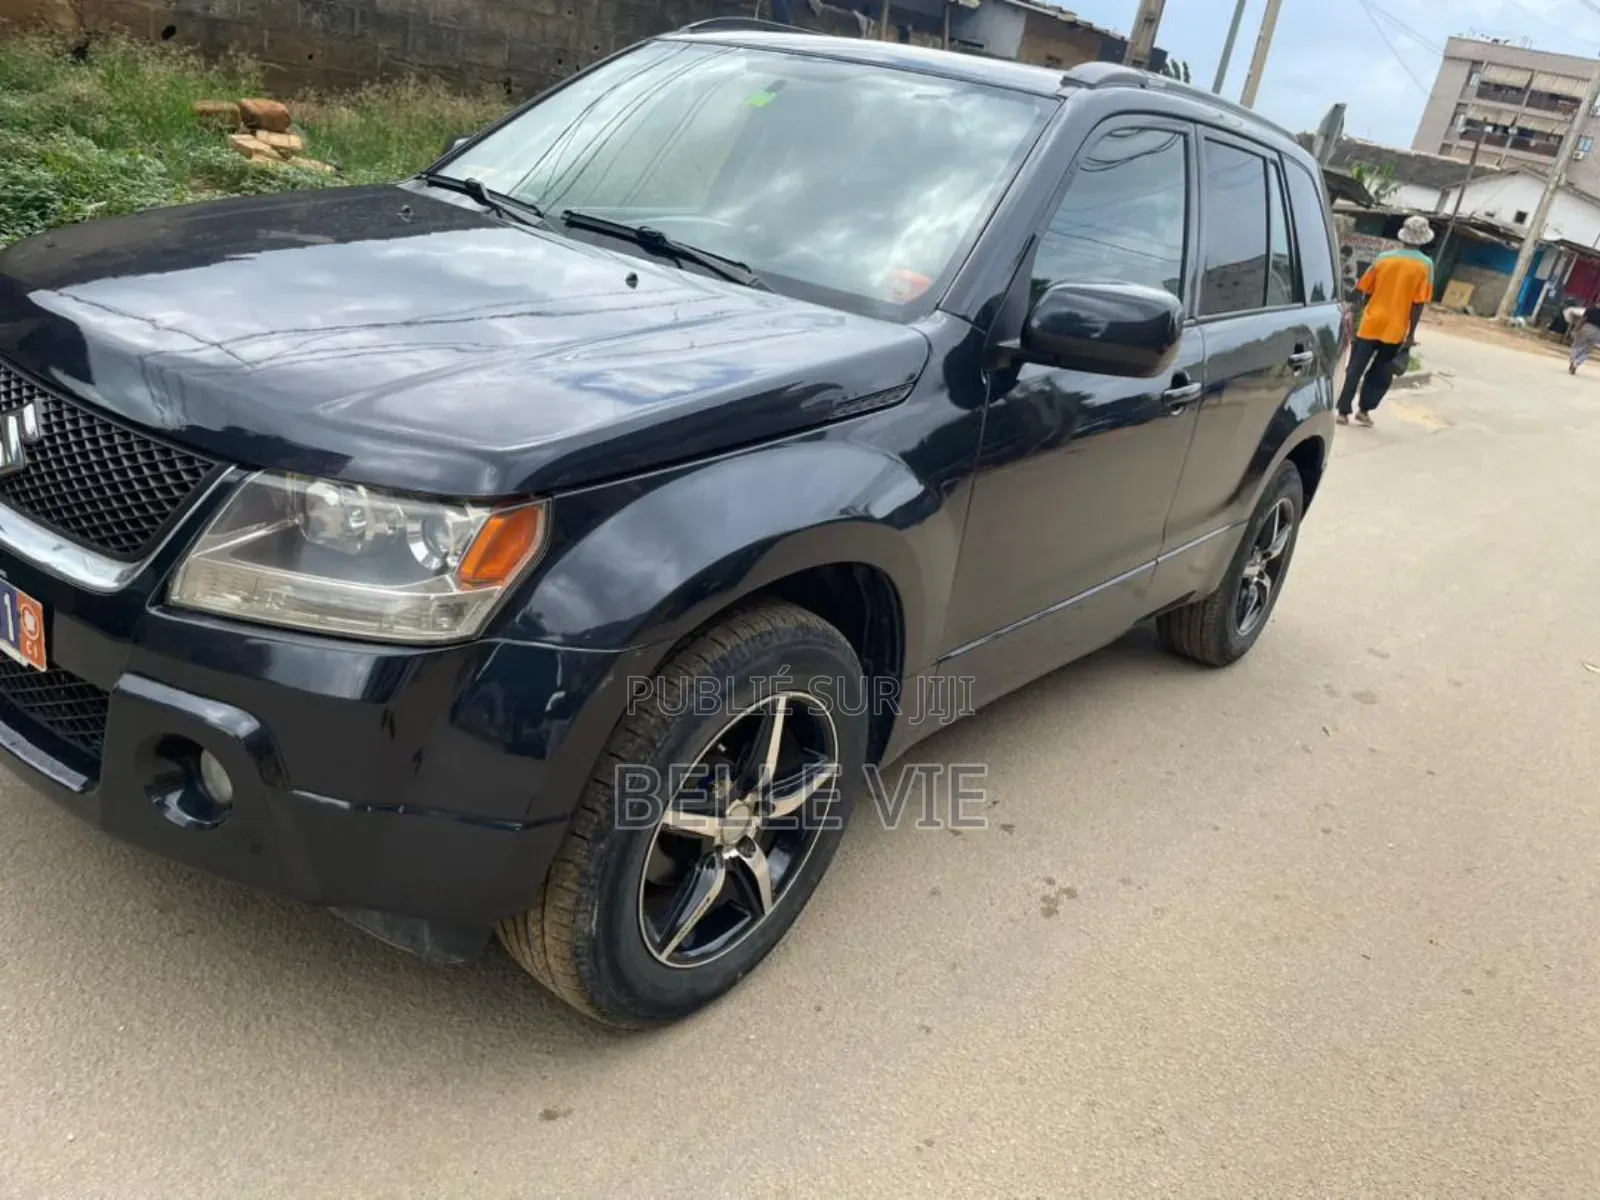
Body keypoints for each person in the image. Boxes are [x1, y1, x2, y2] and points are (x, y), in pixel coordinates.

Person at [1337, 215, 1435, 427]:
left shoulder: (1384, 258)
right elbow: (1418, 303)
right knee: (1381, 371)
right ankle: (1364, 411)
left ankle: (1343, 412)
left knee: (1355, 367)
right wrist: (1411, 334)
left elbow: (1365, 290)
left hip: (1371, 322)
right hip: (1395, 328)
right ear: (1423, 238)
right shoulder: (1425, 265)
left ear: (1403, 235)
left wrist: (1360, 315)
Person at [1569, 303, 1600, 374]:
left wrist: (1575, 329)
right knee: (1587, 350)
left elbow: (1582, 319)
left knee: (1577, 345)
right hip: (1597, 332)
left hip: (1586, 327)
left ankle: (1573, 360)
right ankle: (1577, 363)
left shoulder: (1590, 309)